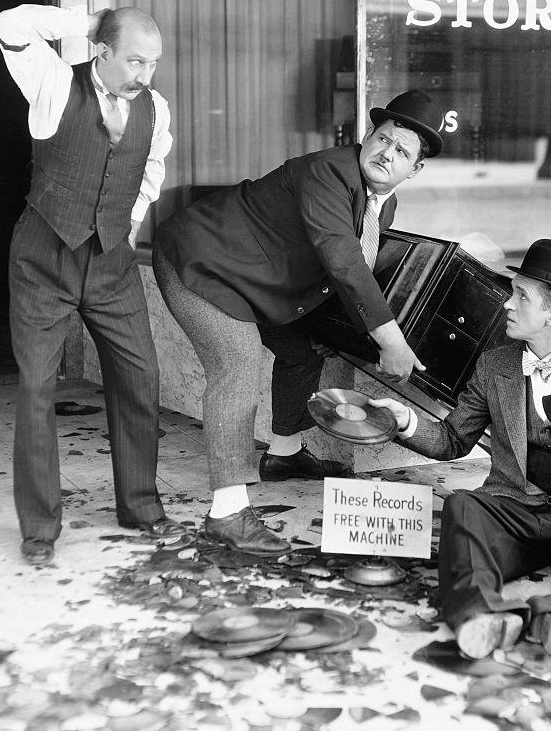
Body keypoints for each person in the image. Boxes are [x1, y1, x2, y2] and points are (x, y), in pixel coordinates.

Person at [152, 91, 444, 556]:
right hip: (201, 261)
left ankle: (283, 456)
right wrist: (391, 342)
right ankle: (227, 514)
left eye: (402, 151)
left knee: (302, 353)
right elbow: (344, 262)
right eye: (383, 138)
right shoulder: (328, 171)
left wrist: (355, 333)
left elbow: (348, 275)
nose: (387, 153)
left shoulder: (381, 205)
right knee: (238, 367)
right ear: (367, 136)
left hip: (257, 280)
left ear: (416, 169)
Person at [370, 239, 551, 658]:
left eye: (521, 296)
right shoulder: (495, 366)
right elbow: (454, 439)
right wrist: (404, 421)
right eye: (513, 292)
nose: (507, 304)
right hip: (511, 516)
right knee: (462, 507)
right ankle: (480, 617)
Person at [0, 4, 180, 566]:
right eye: (134, 60)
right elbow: (11, 26)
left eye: (152, 63)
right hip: (43, 256)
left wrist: (122, 224)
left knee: (140, 374)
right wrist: (92, 20)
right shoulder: (53, 81)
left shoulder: (156, 108)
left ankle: (140, 506)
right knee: (36, 387)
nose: (144, 74)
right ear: (100, 50)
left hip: (111, 260)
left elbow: (151, 173)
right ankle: (40, 528)